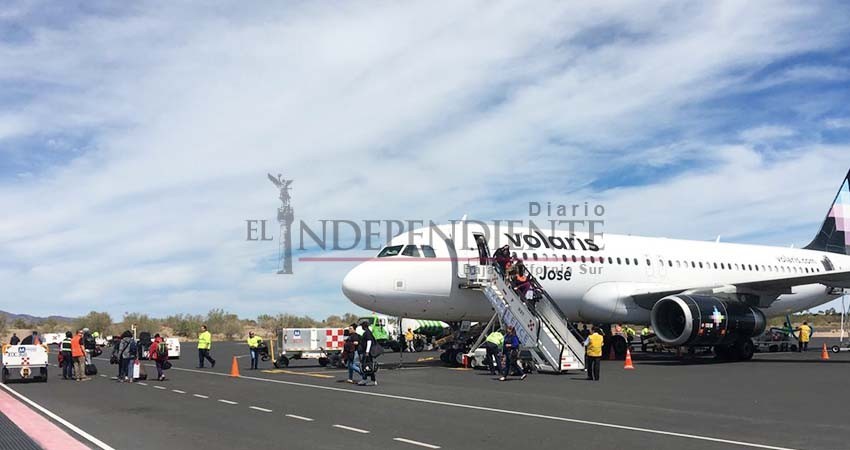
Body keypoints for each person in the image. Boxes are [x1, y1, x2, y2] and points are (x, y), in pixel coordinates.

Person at [358, 320, 379, 386]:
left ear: (364, 326)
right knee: (365, 365)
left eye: (362, 325)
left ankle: (373, 380)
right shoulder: (367, 332)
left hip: (367, 352)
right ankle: (365, 378)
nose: (361, 327)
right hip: (366, 352)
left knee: (368, 365)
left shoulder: (367, 333)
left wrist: (367, 351)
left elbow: (369, 342)